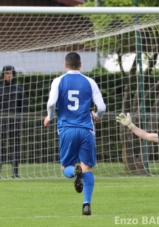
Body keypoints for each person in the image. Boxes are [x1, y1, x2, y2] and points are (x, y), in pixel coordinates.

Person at [43, 52, 106, 215]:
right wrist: (97, 116)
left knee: (65, 168)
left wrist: (49, 117)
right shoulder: (89, 81)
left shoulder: (58, 81)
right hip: (86, 129)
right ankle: (86, 204)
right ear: (80, 64)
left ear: (65, 65)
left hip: (67, 129)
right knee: (88, 168)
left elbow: (51, 103)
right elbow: (102, 107)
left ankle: (74, 172)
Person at [0, 65, 28, 178]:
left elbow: (24, 107)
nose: (9, 75)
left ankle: (15, 173)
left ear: (13, 74)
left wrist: (22, 122)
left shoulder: (19, 89)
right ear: (3, 75)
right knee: (1, 147)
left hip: (15, 122)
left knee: (15, 147)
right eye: (7, 73)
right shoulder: (0, 89)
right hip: (2, 122)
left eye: (10, 73)